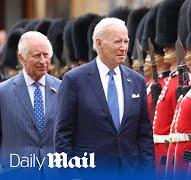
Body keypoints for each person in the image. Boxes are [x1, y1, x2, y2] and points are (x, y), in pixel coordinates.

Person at [55, 17, 155, 178]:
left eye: (126, 41)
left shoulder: (136, 80)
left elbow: (144, 135)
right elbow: (62, 136)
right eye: (117, 42)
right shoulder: (74, 80)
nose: (124, 48)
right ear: (99, 43)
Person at [0, 31, 61, 178]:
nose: (43, 61)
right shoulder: (3, 92)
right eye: (36, 56)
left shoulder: (63, 89)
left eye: (46, 55)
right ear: (22, 58)